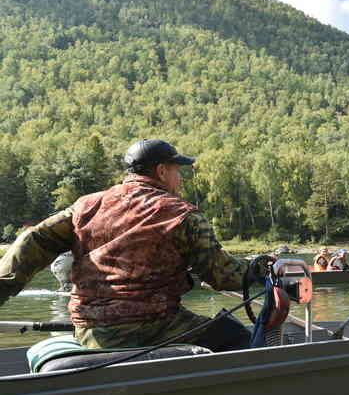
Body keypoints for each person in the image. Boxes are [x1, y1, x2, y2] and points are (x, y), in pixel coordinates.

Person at [0, 139, 268, 351]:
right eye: (177, 171)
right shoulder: (180, 214)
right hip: (150, 327)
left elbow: (33, 239)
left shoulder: (86, 205)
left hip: (88, 330)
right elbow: (222, 276)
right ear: (161, 171)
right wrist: (260, 270)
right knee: (233, 335)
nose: (180, 179)